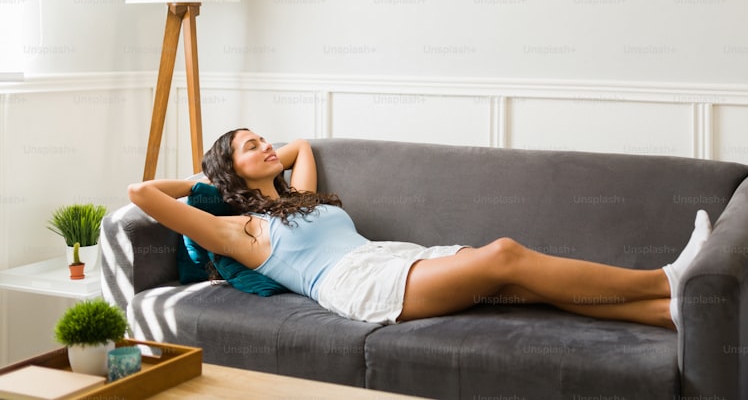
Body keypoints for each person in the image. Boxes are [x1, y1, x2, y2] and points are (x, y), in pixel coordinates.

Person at [128, 128, 713, 329]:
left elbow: (302, 145)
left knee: (519, 287)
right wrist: (205, 184)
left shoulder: (296, 200)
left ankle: (664, 313)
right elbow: (142, 194)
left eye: (260, 137)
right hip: (359, 288)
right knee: (505, 255)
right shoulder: (240, 233)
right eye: (249, 146)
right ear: (230, 172)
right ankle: (666, 278)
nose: (264, 144)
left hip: (390, 258)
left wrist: (260, 164)